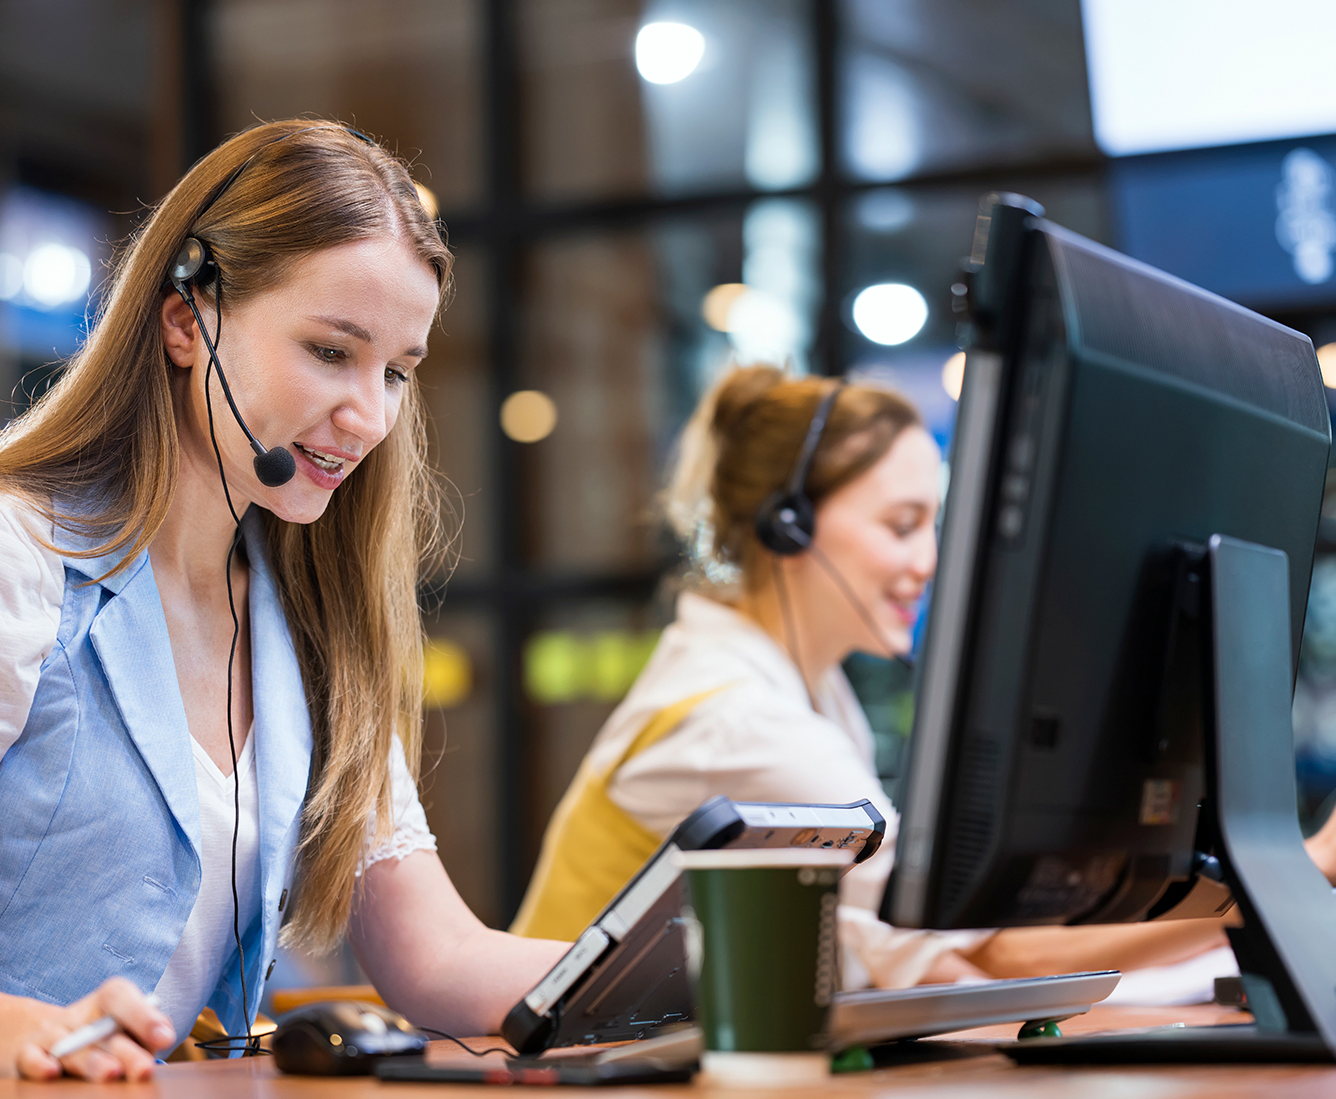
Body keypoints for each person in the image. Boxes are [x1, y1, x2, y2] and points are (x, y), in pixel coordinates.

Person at [0, 120, 570, 1094]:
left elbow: (435, 958)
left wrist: (698, 960)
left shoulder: (306, 608)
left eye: (397, 371)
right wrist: (44, 1037)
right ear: (183, 322)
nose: (369, 415)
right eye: (331, 350)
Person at [511, 363, 1336, 990]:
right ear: (786, 528)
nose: (928, 561)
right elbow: (980, 951)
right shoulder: (738, 720)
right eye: (902, 525)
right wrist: (1300, 870)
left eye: (931, 526)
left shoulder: (799, 688)